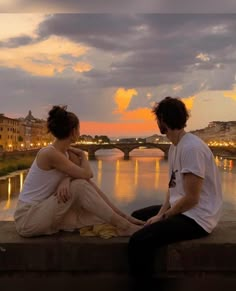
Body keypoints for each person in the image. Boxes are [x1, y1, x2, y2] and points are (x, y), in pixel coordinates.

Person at [14, 105, 144, 238]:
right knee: (79, 186)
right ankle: (125, 226)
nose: (80, 133)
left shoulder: (67, 154)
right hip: (28, 218)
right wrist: (83, 154)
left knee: (98, 217)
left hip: (45, 212)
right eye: (79, 129)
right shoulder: (49, 153)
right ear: (73, 132)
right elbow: (87, 174)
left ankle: (124, 222)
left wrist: (67, 179)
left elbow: (88, 183)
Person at [128, 96, 223, 277]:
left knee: (138, 241)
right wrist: (160, 214)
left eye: (157, 119)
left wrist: (163, 217)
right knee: (136, 217)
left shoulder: (191, 148)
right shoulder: (174, 147)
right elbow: (172, 188)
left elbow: (191, 198)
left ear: (163, 120)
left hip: (198, 217)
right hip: (185, 211)